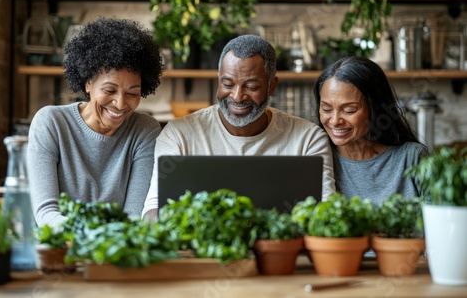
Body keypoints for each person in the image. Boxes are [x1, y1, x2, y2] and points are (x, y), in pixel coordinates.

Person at [142, 34, 335, 219]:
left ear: (272, 86)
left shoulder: (308, 138)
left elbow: (326, 212)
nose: (237, 96)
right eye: (227, 84)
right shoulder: (179, 134)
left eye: (251, 87)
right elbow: (153, 211)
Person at [27, 17, 163, 228]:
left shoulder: (144, 131)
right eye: (109, 90)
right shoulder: (51, 123)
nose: (120, 103)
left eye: (132, 93)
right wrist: (94, 237)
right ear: (88, 82)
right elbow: (46, 213)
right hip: (59, 250)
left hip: (114, 255)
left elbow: (134, 218)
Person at [313, 56, 429, 206]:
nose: (335, 121)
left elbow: (445, 221)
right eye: (326, 109)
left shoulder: (412, 158)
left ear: (375, 109)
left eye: (349, 110)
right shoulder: (317, 157)